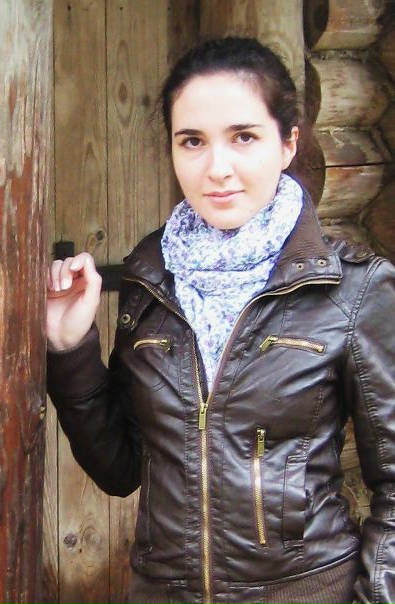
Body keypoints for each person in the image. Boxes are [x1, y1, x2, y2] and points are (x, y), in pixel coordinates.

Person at [46, 37, 395, 604]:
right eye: (192, 141)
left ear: (288, 143)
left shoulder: (352, 290)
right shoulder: (149, 281)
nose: (217, 168)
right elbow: (122, 469)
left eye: (244, 137)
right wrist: (70, 350)